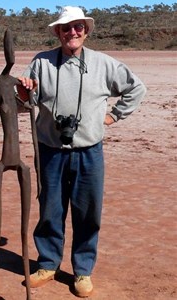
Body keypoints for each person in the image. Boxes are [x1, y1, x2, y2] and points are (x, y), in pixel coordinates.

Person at [16, 6, 147, 298]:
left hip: (90, 152)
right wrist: (24, 92)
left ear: (86, 31)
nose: (72, 33)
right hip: (50, 150)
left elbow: (136, 89)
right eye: (66, 28)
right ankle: (48, 264)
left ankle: (83, 271)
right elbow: (23, 104)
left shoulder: (103, 64)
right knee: (50, 210)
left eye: (78, 27)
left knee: (88, 213)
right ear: (57, 32)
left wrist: (113, 116)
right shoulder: (41, 63)